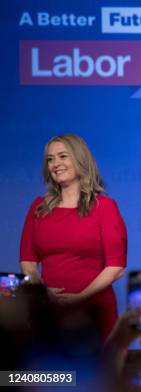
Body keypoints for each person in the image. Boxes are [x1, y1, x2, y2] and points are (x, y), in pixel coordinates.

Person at [20, 134, 127, 340]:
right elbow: (28, 261)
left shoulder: (105, 207)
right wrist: (44, 292)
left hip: (95, 312)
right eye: (50, 159)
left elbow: (116, 267)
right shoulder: (38, 208)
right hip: (49, 312)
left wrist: (79, 298)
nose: (56, 164)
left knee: (95, 373)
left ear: (80, 160)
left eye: (62, 156)